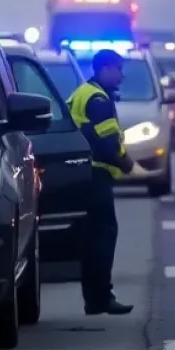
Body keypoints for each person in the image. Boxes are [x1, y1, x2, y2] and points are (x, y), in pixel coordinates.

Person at [66, 49, 142, 314]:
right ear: (105, 69)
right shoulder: (98, 99)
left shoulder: (83, 92)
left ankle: (94, 299)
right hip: (96, 176)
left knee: (92, 238)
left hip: (82, 174)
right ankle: (101, 297)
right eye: (118, 69)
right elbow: (109, 144)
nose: (121, 75)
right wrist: (130, 165)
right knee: (103, 237)